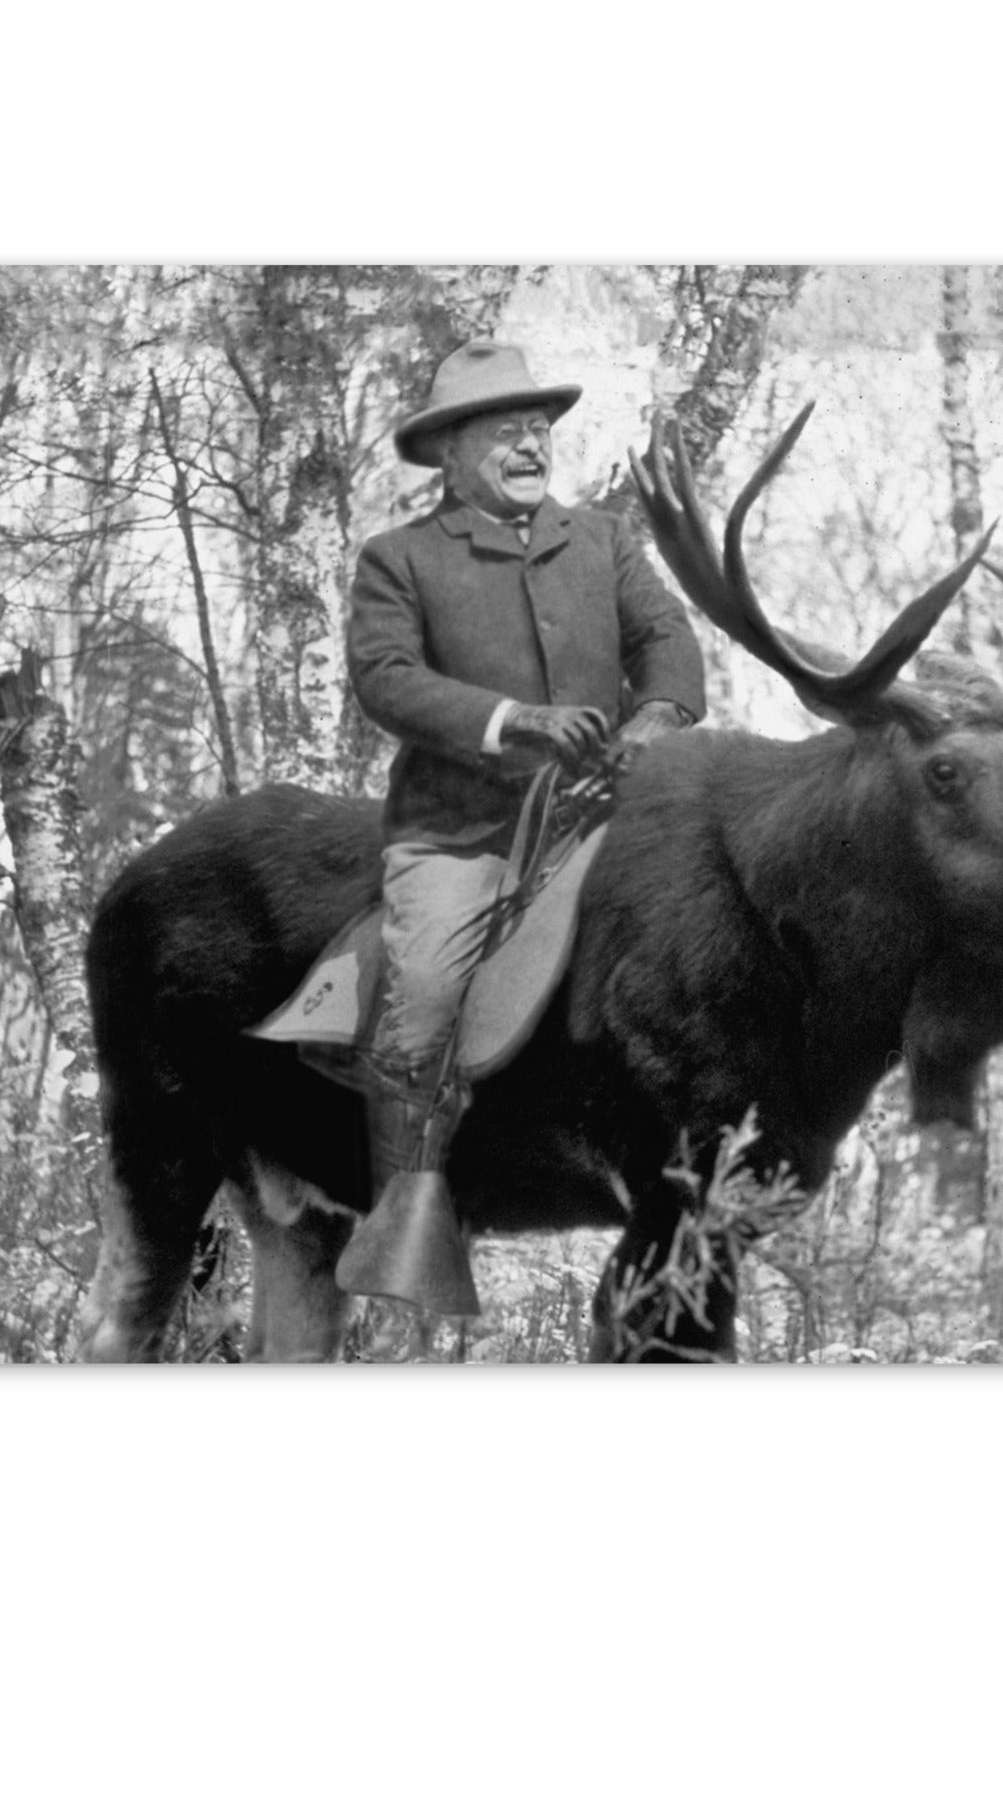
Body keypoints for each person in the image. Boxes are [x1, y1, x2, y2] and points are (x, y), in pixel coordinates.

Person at [336, 340, 707, 1314]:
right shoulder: (398, 558)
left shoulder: (602, 541)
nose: (530, 443)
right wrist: (515, 721)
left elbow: (665, 636)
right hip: (460, 834)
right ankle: (405, 1224)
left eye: (538, 426)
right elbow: (385, 678)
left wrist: (653, 719)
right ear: (449, 452)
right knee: (421, 997)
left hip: (603, 819)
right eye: (505, 430)